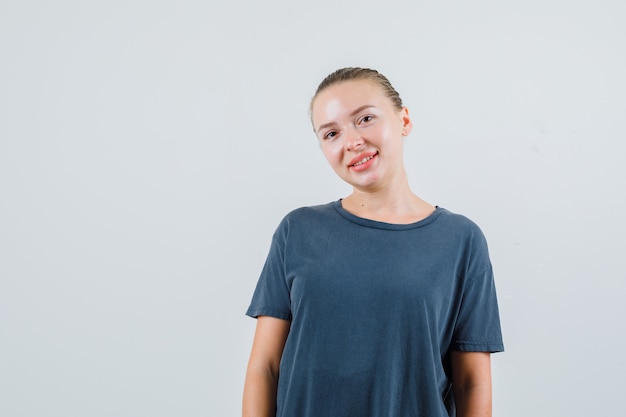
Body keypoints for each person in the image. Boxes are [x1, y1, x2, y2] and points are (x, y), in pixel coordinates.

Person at [242, 67, 504, 417]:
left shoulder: (461, 240)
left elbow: (473, 382)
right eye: (331, 133)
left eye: (365, 118)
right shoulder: (297, 231)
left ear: (404, 120)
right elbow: (265, 367)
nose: (351, 142)